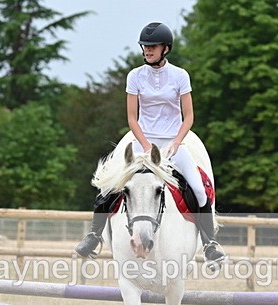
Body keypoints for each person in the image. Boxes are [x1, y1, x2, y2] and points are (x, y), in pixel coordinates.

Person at [75, 21, 227, 265]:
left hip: (172, 145)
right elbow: (132, 118)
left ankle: (210, 243)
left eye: (152, 47)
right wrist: (146, 147)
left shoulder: (180, 76)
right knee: (108, 186)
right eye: (145, 47)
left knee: (199, 189)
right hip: (141, 143)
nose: (147, 50)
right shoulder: (135, 76)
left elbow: (188, 117)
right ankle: (94, 236)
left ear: (165, 48)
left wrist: (177, 142)